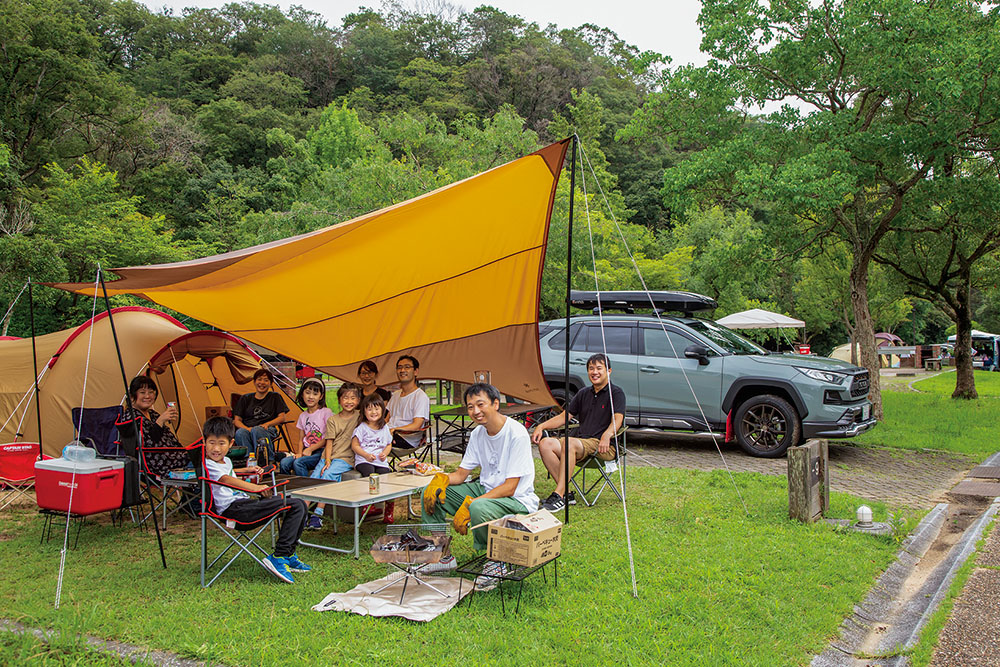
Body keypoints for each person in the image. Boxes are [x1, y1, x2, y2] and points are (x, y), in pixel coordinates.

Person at [420, 383, 539, 584]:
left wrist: (470, 504)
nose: (475, 411)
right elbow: (461, 473)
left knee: (477, 505)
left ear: (495, 404)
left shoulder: (516, 434)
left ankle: (496, 561)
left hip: (517, 499)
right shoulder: (477, 433)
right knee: (429, 494)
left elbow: (511, 486)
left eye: (480, 404)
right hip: (486, 488)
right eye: (470, 407)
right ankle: (442, 555)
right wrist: (440, 480)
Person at [201, 416, 310, 584]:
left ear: (231, 444)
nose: (216, 448)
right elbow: (225, 480)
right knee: (295, 505)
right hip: (235, 512)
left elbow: (229, 472)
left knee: (299, 503)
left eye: (221, 443)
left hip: (244, 504)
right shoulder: (207, 464)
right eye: (211, 443)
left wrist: (246, 469)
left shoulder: (227, 460)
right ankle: (279, 556)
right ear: (204, 442)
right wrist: (257, 489)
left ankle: (287, 554)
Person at [531, 353, 625, 512]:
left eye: (599, 368)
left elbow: (618, 420)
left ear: (609, 371)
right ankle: (567, 494)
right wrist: (541, 427)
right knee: (546, 443)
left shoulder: (616, 393)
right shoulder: (583, 393)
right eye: (591, 368)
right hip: (579, 444)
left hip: (603, 446)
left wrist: (607, 435)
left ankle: (558, 495)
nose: (594, 372)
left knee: (569, 443)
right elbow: (564, 417)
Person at [304, 382, 362, 529]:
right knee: (313, 479)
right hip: (328, 456)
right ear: (339, 400)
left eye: (353, 398)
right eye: (345, 398)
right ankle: (302, 513)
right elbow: (329, 442)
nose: (349, 401)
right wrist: (327, 460)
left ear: (358, 400)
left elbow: (379, 414)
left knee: (327, 476)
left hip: (345, 458)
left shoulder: (360, 416)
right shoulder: (332, 420)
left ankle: (317, 514)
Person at [122, 375, 188, 477]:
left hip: (173, 457)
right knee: (203, 462)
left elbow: (169, 438)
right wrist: (160, 421)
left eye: (151, 392)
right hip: (157, 464)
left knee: (203, 455)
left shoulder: (152, 414)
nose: (147, 396)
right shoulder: (131, 417)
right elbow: (148, 445)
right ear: (132, 396)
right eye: (142, 393)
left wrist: (186, 451)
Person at [279, 377, 332, 475]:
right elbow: (301, 439)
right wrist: (299, 452)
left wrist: (310, 449)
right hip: (306, 450)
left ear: (321, 396)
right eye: (307, 393)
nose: (311, 397)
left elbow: (329, 437)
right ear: (302, 394)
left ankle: (306, 487)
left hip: (321, 451)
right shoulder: (303, 415)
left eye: (315, 394)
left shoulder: (325, 412)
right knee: (284, 463)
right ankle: (287, 487)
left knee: (299, 463)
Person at [233, 369, 289, 461]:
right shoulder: (245, 398)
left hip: (268, 429)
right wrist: (247, 429)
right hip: (248, 428)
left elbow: (282, 417)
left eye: (266, 380)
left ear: (271, 384)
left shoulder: (275, 397)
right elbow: (237, 420)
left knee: (257, 430)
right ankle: (249, 460)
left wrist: (267, 424)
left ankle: (267, 460)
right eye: (259, 379)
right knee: (240, 432)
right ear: (254, 382)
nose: (262, 383)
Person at [386, 355, 430, 451]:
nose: (402, 370)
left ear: (416, 371)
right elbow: (387, 419)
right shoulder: (396, 395)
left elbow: (417, 425)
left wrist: (396, 429)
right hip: (389, 433)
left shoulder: (420, 396)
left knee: (369, 443)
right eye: (399, 367)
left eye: (407, 367)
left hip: (407, 439)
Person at [351, 393, 393, 478]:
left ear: (382, 410)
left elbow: (389, 444)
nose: (373, 412)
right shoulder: (362, 427)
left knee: (385, 474)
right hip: (364, 460)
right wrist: (366, 455)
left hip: (380, 461)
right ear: (364, 411)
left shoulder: (384, 428)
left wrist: (385, 453)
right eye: (369, 409)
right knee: (369, 473)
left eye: (377, 409)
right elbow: (354, 445)